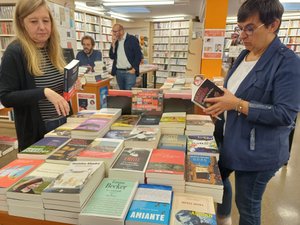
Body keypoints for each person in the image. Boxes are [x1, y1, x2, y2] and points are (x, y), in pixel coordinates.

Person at [202, 0, 300, 224]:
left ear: (273, 25)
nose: (242, 35)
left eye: (249, 28)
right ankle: (223, 217)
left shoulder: (288, 63)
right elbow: (233, 95)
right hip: (229, 139)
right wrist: (218, 106)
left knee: (247, 206)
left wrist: (236, 104)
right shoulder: (243, 56)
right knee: (216, 178)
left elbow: (285, 114)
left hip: (258, 152)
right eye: (239, 28)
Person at [0, 0, 70, 151]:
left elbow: (57, 88)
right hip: (37, 130)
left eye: (46, 20)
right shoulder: (15, 53)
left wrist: (70, 85)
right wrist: (43, 92)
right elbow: (6, 97)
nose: (42, 27)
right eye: (33, 21)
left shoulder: (55, 48)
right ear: (21, 23)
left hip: (63, 123)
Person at [109, 24, 143, 90]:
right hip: (118, 72)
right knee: (122, 94)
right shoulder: (115, 41)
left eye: (115, 32)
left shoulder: (132, 39)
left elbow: (138, 55)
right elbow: (112, 56)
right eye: (113, 31)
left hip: (129, 72)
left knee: (128, 94)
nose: (114, 34)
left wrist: (134, 69)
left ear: (121, 31)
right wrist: (112, 45)